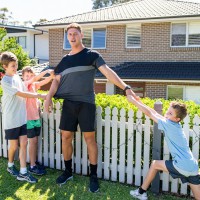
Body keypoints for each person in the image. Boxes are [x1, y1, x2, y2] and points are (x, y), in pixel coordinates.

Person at [44, 22, 138, 192]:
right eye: (70, 34)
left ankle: (93, 175)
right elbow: (56, 80)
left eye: (75, 34)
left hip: (86, 103)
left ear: (81, 35)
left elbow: (108, 72)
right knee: (65, 137)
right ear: (67, 37)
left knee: (90, 140)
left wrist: (126, 87)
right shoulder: (65, 60)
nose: (72, 37)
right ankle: (68, 171)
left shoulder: (91, 55)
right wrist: (48, 98)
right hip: (68, 104)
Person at [127, 95, 200, 200]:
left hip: (182, 165)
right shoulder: (175, 124)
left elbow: (150, 114)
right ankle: (140, 192)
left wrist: (134, 102)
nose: (166, 114)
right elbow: (155, 113)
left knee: (155, 164)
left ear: (177, 118)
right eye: (167, 111)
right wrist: (140, 102)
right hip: (193, 166)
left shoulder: (168, 124)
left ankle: (141, 192)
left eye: (170, 113)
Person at [0, 51, 46, 183]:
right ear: (5, 67)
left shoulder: (17, 78)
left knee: (24, 143)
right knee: (14, 146)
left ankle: (23, 172)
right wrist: (39, 96)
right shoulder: (5, 81)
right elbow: (21, 93)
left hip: (22, 118)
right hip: (12, 119)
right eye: (13, 66)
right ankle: (10, 166)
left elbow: (27, 88)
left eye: (16, 65)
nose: (15, 68)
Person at [22, 66, 54, 175]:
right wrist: (46, 71)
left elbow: (43, 81)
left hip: (36, 118)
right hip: (28, 119)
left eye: (31, 75)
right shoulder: (24, 85)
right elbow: (35, 80)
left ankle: (33, 162)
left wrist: (51, 77)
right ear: (23, 77)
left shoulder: (34, 86)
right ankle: (32, 166)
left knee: (35, 142)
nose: (29, 77)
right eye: (27, 76)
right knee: (32, 142)